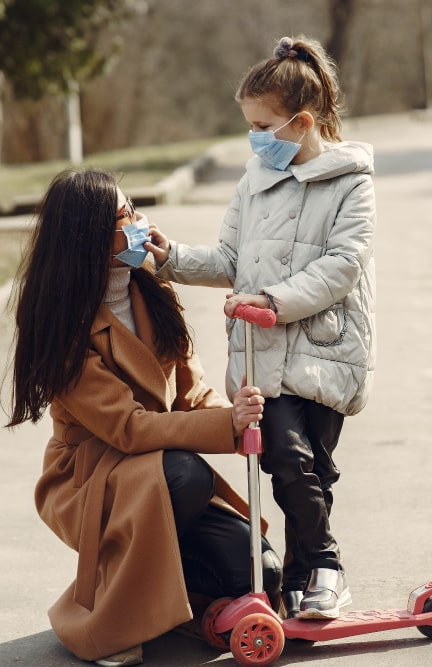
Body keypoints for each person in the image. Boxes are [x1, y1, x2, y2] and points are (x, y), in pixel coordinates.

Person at [5, 168, 281, 667]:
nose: (140, 222)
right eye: (125, 215)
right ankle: (111, 616)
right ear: (89, 235)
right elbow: (128, 428)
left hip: (160, 469)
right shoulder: (64, 325)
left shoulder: (155, 294)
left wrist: (241, 421)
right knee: (187, 475)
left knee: (263, 573)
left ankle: (184, 608)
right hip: (94, 475)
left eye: (134, 207)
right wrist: (226, 429)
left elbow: (192, 395)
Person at [147, 35, 376, 621]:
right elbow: (229, 258)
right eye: (248, 125)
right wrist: (171, 256)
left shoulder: (352, 182)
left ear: (301, 123)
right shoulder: (254, 181)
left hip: (325, 349)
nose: (254, 138)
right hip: (261, 351)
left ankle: (303, 577)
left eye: (262, 126)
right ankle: (328, 566)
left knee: (313, 471)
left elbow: (342, 265)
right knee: (285, 456)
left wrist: (275, 300)